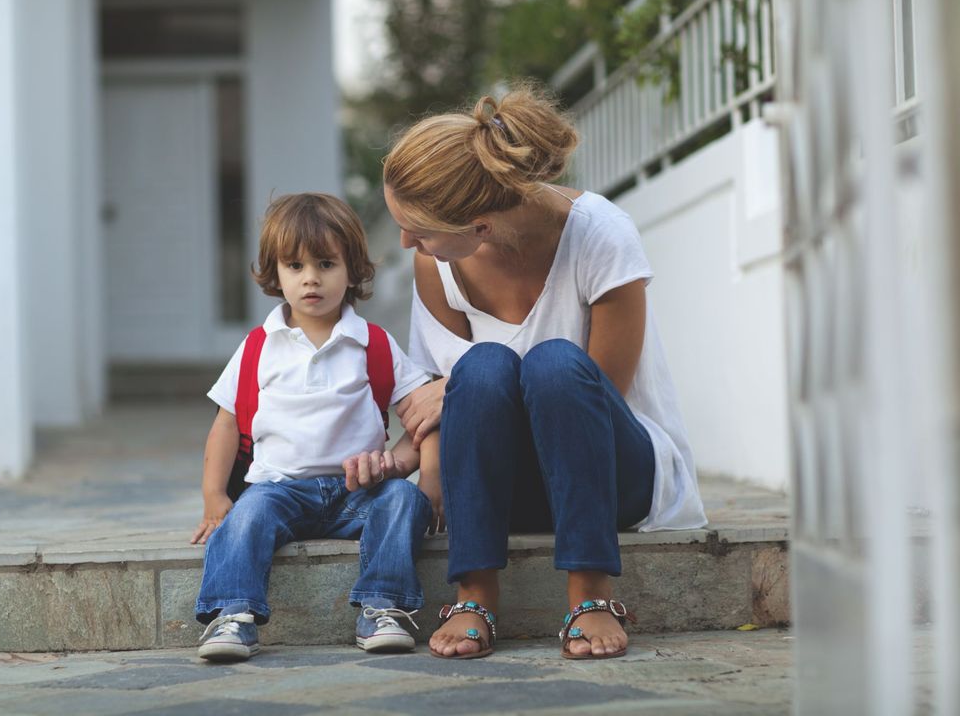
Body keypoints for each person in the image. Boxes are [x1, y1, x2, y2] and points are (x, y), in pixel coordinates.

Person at [382, 85, 707, 661]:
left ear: (480, 227)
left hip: (608, 476)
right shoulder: (437, 263)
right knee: (481, 365)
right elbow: (439, 405)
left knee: (555, 362)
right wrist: (430, 457)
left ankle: (590, 592)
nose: (407, 242)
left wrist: (448, 390)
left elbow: (599, 398)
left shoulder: (599, 233)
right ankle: (475, 593)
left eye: (418, 228)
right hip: (502, 486)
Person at [191, 193, 441, 662]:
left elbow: (423, 417)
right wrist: (213, 496)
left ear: (352, 270)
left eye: (326, 263)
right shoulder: (258, 347)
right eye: (294, 266)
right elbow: (225, 425)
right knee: (244, 518)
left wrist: (421, 478)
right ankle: (231, 614)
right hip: (279, 490)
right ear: (274, 273)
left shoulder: (373, 344)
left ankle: (383, 606)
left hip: (358, 493)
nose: (311, 278)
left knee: (404, 500)